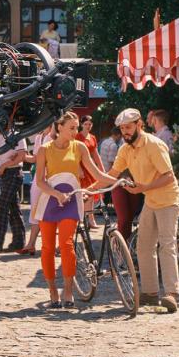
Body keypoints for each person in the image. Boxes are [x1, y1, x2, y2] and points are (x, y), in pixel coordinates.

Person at [33, 112, 114, 308]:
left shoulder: (79, 147)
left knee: (67, 245)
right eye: (72, 128)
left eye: (76, 128)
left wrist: (121, 182)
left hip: (71, 200)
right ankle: (52, 290)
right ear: (59, 127)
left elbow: (97, 173)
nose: (75, 131)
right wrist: (56, 194)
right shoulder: (45, 149)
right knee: (48, 248)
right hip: (49, 201)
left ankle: (68, 289)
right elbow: (40, 182)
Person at [109, 108, 179, 313]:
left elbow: (168, 176)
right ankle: (150, 293)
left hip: (168, 199)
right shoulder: (125, 150)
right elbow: (112, 175)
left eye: (128, 127)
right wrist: (90, 190)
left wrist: (143, 188)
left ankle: (171, 294)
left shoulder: (154, 144)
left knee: (166, 245)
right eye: (122, 128)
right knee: (143, 246)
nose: (125, 132)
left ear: (139, 125)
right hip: (151, 200)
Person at [0, 129, 27, 252]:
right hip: (4, 174)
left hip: (14, 173)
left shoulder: (17, 134)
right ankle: (18, 242)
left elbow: (21, 155)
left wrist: (4, 165)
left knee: (2, 205)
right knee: (14, 209)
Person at [17, 124, 54, 255]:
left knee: (49, 210)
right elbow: (35, 159)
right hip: (39, 177)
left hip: (51, 176)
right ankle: (31, 244)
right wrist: (22, 155)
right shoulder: (39, 137)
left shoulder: (53, 135)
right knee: (35, 209)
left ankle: (45, 245)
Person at [75, 114, 103, 229]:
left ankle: (91, 220)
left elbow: (96, 154)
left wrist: (102, 169)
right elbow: (74, 154)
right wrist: (79, 168)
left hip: (90, 168)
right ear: (81, 124)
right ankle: (81, 220)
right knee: (82, 195)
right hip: (81, 167)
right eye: (86, 124)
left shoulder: (92, 137)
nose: (88, 126)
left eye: (90, 124)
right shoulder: (77, 137)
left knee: (91, 195)